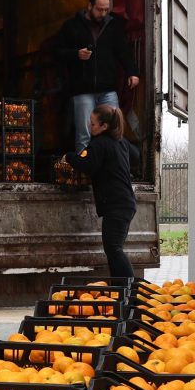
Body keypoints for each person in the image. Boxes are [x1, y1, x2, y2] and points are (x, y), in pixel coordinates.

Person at [56, 0, 140, 152]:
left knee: (115, 132)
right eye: (99, 9)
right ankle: (84, 173)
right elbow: (57, 52)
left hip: (108, 89)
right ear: (89, 6)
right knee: (84, 134)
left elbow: (123, 51)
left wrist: (132, 72)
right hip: (82, 90)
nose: (103, 13)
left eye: (106, 9)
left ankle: (114, 168)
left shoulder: (113, 26)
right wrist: (76, 54)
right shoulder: (71, 26)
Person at [62, 104, 139, 279]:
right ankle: (120, 289)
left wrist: (69, 157)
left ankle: (130, 288)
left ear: (104, 126)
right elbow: (136, 156)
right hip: (125, 203)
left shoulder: (99, 144)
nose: (90, 127)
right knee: (113, 249)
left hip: (116, 205)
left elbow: (87, 165)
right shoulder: (121, 142)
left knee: (113, 249)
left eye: (94, 124)